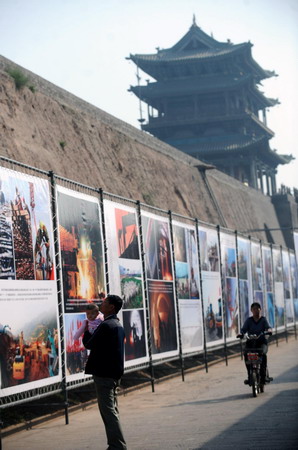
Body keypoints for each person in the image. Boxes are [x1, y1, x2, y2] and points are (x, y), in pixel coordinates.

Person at [83, 294, 127, 450]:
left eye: (104, 302)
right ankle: (116, 444)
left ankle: (117, 446)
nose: (101, 304)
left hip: (104, 375)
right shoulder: (117, 324)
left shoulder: (106, 325)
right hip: (113, 374)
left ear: (111, 307)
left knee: (108, 412)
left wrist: (87, 329)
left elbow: (89, 344)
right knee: (112, 410)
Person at [237, 302, 272, 386]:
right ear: (251, 311)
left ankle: (263, 377)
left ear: (260, 309)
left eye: (257, 309)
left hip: (261, 342)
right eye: (254, 309)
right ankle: (250, 375)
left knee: (263, 355)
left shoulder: (263, 320)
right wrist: (241, 334)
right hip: (251, 342)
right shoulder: (249, 320)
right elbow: (243, 330)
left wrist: (269, 330)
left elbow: (268, 327)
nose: (256, 310)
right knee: (246, 354)